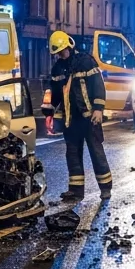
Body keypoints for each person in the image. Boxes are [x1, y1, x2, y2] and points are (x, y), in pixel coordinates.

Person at [44, 31, 112, 201]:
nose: (60, 54)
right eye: (57, 53)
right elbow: (56, 94)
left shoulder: (85, 61)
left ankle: (105, 189)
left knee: (96, 153)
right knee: (72, 154)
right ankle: (76, 191)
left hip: (89, 118)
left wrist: (98, 109)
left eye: (62, 51)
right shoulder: (58, 68)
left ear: (69, 46)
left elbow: (98, 85)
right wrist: (49, 111)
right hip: (71, 119)